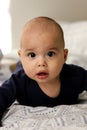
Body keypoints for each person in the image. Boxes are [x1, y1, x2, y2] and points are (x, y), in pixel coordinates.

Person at [0, 16, 87, 126]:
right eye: (32, 55)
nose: (41, 63)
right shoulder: (18, 81)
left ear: (64, 56)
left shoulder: (75, 76)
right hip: (22, 68)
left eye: (50, 54)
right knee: (16, 70)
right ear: (21, 56)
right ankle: (11, 65)